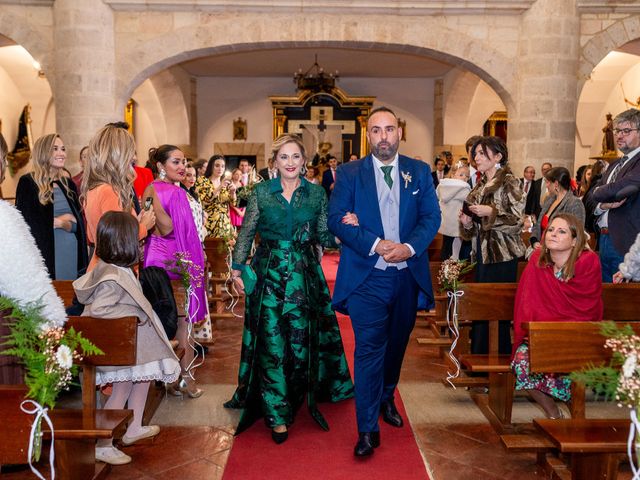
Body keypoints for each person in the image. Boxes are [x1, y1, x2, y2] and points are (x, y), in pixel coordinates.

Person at [225, 133, 354, 444]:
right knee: (271, 340)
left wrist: (343, 232)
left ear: (304, 160)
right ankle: (277, 413)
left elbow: (323, 235)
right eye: (284, 157)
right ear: (275, 161)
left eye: (296, 156)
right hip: (268, 272)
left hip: (304, 275)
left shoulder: (316, 194)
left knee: (299, 339)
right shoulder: (260, 193)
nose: (290, 162)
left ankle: (298, 391)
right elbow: (247, 233)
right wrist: (237, 268)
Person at [328, 106, 440, 457]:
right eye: (376, 131)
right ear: (368, 135)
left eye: (389, 129)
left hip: (406, 277)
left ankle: (386, 395)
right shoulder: (349, 173)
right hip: (367, 278)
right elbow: (336, 220)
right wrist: (376, 244)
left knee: (396, 346)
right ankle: (366, 429)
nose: (383, 137)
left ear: (399, 133)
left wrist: (408, 248)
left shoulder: (419, 172)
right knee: (367, 351)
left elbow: (431, 216)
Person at [74, 211, 181, 465]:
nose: (142, 244)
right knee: (121, 388)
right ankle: (103, 443)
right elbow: (101, 310)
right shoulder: (112, 275)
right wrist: (135, 314)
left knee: (142, 377)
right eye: (138, 240)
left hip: (134, 349)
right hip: (117, 350)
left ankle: (133, 428)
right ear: (125, 243)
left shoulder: (119, 270)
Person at [511, 214, 602, 419]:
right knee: (521, 362)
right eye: (551, 230)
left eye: (561, 231)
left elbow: (588, 308)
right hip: (541, 335)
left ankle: (574, 408)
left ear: (575, 239)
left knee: (572, 362)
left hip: (577, 336)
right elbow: (526, 302)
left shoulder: (588, 262)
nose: (553, 234)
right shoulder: (537, 261)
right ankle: (552, 412)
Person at [0, 132, 67, 384]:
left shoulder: (66, 182)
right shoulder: (4, 217)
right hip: (7, 329)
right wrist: (51, 319)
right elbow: (23, 278)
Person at [143, 145, 208, 397]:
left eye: (184, 162)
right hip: (175, 262)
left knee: (159, 321)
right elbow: (170, 229)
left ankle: (166, 377)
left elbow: (147, 223)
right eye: (176, 162)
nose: (182, 167)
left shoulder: (148, 190)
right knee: (184, 323)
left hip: (151, 260)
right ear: (161, 165)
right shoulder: (176, 194)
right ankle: (186, 381)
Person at [459, 136, 525, 355]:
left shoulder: (509, 181)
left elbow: (517, 221)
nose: (477, 157)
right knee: (481, 312)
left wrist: (491, 213)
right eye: (475, 153)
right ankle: (479, 364)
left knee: (497, 313)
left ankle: (497, 366)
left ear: (498, 156)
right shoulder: (479, 185)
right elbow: (470, 232)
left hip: (503, 255)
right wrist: (467, 223)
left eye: (482, 153)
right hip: (481, 256)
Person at [82, 125, 156, 270]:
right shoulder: (110, 191)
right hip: (115, 275)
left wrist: (135, 223)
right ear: (117, 155)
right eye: (130, 152)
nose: (134, 157)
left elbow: (93, 237)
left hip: (103, 269)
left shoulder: (93, 189)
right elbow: (118, 242)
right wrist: (144, 226)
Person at [16, 133, 88, 280]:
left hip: (72, 254)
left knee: (71, 300)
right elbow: (28, 226)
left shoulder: (68, 184)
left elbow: (78, 225)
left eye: (63, 149)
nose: (61, 153)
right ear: (44, 153)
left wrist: (62, 222)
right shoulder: (29, 183)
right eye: (55, 149)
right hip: (46, 258)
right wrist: (64, 220)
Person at [587, 108, 640, 282]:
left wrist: (597, 192)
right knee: (604, 296)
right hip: (602, 239)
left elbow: (619, 190)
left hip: (627, 241)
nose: (619, 136)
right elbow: (588, 199)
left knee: (624, 300)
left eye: (626, 131)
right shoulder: (614, 164)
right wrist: (602, 205)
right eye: (617, 131)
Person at [529, 167, 585, 250]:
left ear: (556, 184)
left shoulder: (574, 203)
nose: (546, 186)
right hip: (542, 249)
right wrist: (534, 240)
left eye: (547, 182)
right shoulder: (549, 199)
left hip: (561, 252)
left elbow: (577, 232)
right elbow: (538, 223)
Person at [437, 161, 471, 260]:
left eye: (467, 176)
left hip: (446, 223)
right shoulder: (464, 188)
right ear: (452, 175)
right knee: (457, 249)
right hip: (457, 222)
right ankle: (454, 268)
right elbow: (470, 200)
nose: (464, 178)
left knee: (446, 246)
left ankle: (444, 267)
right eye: (461, 175)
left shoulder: (442, 186)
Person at [196, 154, 236, 238]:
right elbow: (205, 200)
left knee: (225, 250)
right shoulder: (202, 180)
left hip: (225, 224)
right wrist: (219, 187)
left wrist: (233, 192)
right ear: (211, 167)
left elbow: (233, 204)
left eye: (222, 166)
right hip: (209, 224)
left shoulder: (226, 182)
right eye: (217, 166)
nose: (220, 169)